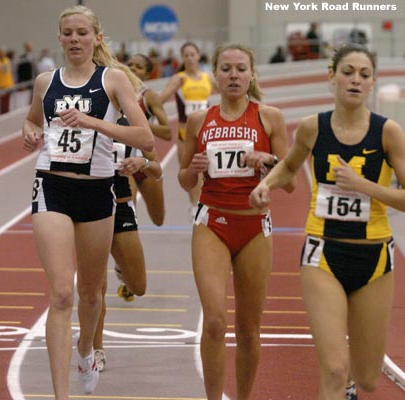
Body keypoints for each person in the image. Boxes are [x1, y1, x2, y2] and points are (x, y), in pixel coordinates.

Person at [249, 43, 405, 400]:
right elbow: (289, 166)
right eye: (348, 72)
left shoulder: (387, 132)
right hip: (322, 254)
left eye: (364, 75)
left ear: (372, 83)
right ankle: (339, 382)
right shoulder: (311, 128)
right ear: (331, 77)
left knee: (367, 377)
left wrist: (364, 186)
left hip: (375, 256)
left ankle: (352, 382)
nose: (355, 80)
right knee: (333, 367)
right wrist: (265, 185)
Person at [21, 5, 153, 398]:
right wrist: (29, 133)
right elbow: (32, 121)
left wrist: (94, 122)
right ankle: (62, 394)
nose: (74, 39)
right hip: (52, 187)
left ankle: (85, 350)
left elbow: (145, 138)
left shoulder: (113, 80)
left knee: (91, 294)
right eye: (68, 33)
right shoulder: (46, 82)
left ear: (96, 38)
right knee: (62, 293)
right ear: (59, 38)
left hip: (97, 191)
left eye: (82, 33)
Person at [178, 43, 294, 400]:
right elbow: (183, 179)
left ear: (252, 74)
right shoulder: (200, 120)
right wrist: (192, 169)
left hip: (254, 226)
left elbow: (289, 181)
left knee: (248, 330)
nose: (233, 75)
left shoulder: (269, 117)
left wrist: (266, 160)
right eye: (226, 69)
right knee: (214, 322)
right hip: (211, 222)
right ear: (215, 75)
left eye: (240, 69)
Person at [93, 112, 163, 371]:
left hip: (121, 207)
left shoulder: (131, 125)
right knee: (95, 288)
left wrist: (142, 162)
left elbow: (157, 169)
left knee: (139, 285)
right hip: (89, 210)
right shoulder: (83, 117)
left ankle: (122, 267)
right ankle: (95, 350)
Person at [160, 41, 217, 217]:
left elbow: (228, 93)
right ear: (183, 58)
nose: (190, 58)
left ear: (198, 56)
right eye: (187, 55)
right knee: (190, 171)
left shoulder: (208, 77)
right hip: (185, 133)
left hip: (205, 132)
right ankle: (194, 206)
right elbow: (161, 99)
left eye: (193, 54)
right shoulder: (180, 78)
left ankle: (200, 203)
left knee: (206, 171)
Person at [126, 53, 171, 226]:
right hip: (124, 163)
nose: (132, 68)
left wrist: (139, 123)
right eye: (129, 64)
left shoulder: (149, 96)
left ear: (146, 74)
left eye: (138, 66)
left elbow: (167, 132)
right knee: (127, 219)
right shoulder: (113, 91)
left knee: (158, 219)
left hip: (147, 162)